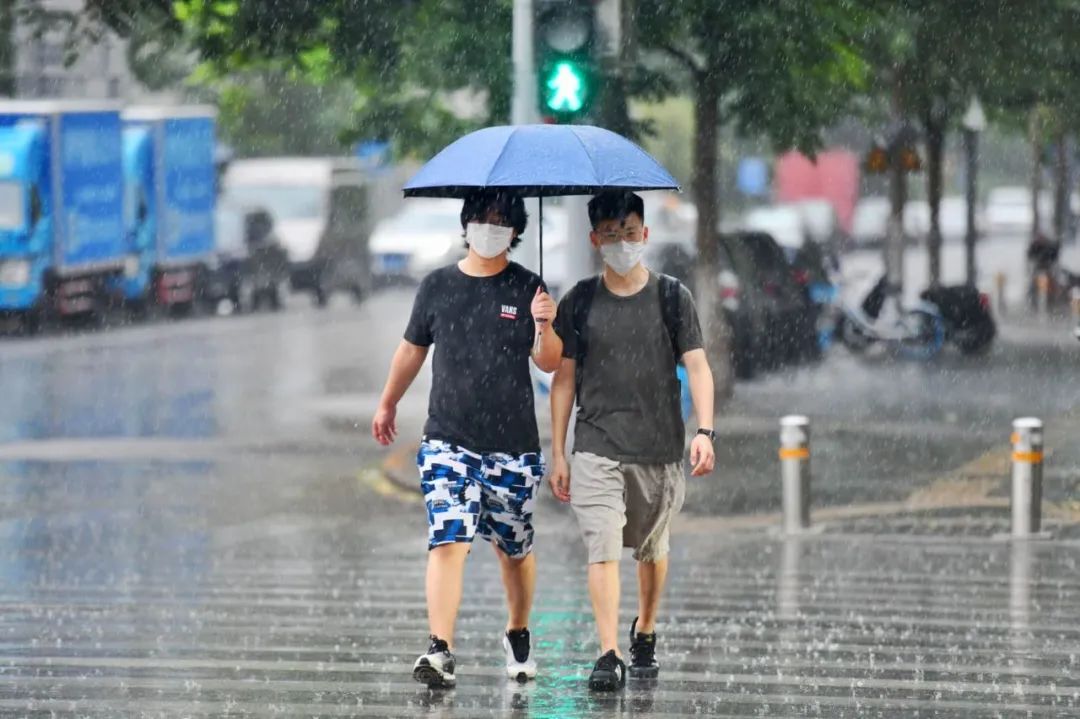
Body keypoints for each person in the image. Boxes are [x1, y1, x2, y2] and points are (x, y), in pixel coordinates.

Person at [371, 189, 562, 689]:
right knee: (448, 539)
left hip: (513, 445)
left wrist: (544, 324)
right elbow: (412, 350)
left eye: (502, 220)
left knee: (514, 550)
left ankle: (517, 630)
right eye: (483, 218)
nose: (491, 227)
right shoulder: (437, 286)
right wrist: (388, 401)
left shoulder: (528, 287)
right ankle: (440, 649)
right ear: (466, 222)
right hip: (448, 441)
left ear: (517, 232)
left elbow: (548, 362)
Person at [549, 190, 716, 691]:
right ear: (594, 238)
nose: (620, 242)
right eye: (610, 233)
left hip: (659, 448)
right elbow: (562, 378)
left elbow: (698, 365)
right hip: (597, 445)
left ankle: (644, 628)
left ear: (645, 234)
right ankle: (609, 653)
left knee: (650, 548)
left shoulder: (671, 297)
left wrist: (705, 430)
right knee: (602, 547)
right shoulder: (578, 300)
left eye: (629, 232)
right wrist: (558, 451)